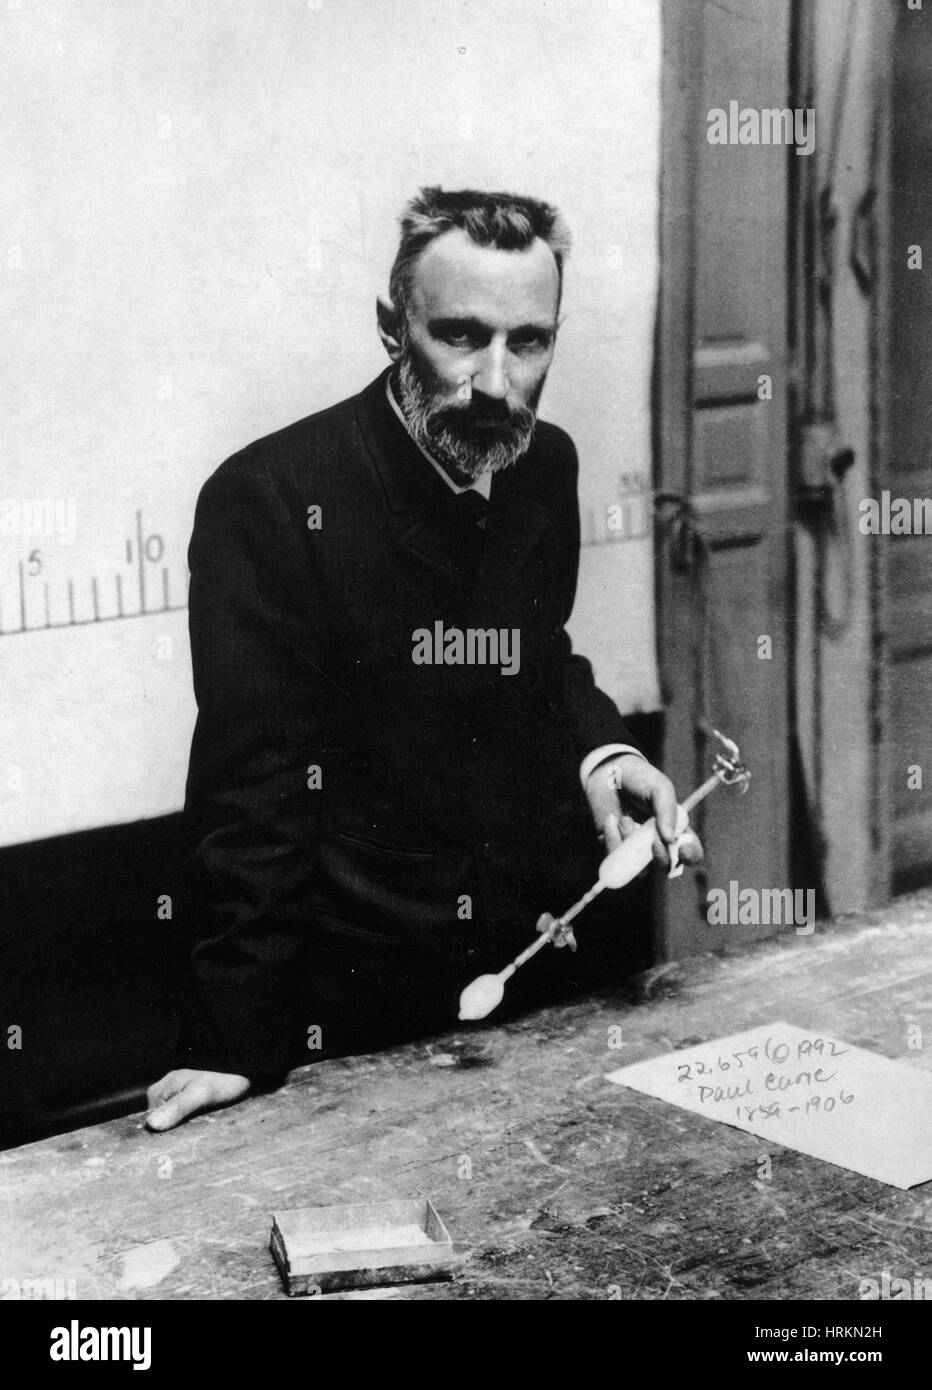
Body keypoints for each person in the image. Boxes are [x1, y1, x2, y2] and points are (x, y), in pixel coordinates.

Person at [146, 186, 700, 1132]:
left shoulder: (545, 466)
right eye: (460, 336)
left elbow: (537, 655)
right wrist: (232, 1040)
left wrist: (605, 752)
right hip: (354, 1005)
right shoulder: (272, 499)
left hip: (528, 969)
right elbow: (255, 790)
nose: (495, 381)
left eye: (529, 342)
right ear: (390, 326)